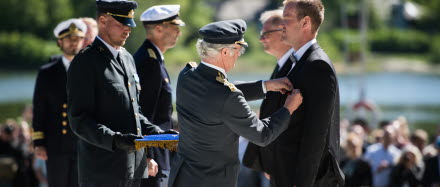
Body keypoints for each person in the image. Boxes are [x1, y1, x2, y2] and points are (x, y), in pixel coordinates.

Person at [168, 19, 303, 187]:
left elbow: (217, 94)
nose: (239, 55)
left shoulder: (187, 76)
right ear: (225, 52)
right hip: (213, 181)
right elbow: (262, 135)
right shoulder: (227, 96)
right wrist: (289, 108)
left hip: (184, 177)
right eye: (238, 50)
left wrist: (265, 86)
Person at [67, 1, 175, 186]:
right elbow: (80, 121)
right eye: (121, 23)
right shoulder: (85, 62)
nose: (128, 29)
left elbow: (134, 113)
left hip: (134, 168)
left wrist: (159, 135)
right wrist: (116, 140)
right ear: (103, 20)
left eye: (130, 24)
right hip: (103, 170)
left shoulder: (127, 58)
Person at [248, 0, 345, 186]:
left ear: (305, 23)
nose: (281, 24)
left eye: (287, 18)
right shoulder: (298, 62)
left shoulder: (317, 65)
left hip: (306, 179)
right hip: (286, 172)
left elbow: (316, 136)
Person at [133, 5, 185, 187]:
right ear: (158, 29)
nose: (179, 32)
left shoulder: (154, 58)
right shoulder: (149, 62)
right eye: (175, 27)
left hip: (159, 151)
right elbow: (144, 114)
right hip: (153, 158)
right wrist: (146, 157)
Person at [32, 18, 87, 187]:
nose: (74, 43)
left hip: (83, 142)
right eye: (69, 39)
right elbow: (39, 108)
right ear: (59, 42)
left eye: (77, 39)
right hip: (56, 144)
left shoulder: (89, 69)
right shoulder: (47, 72)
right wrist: (38, 142)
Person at [242, 8, 294, 184]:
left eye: (266, 33)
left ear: (283, 31)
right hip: (275, 163)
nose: (261, 38)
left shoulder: (294, 68)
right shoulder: (282, 66)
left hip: (285, 163)